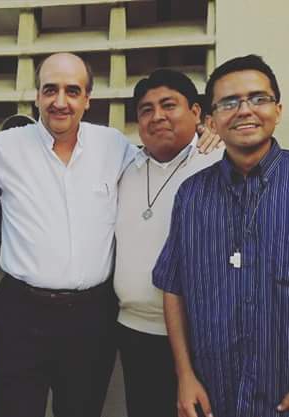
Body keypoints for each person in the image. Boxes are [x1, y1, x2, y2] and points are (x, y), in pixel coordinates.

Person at [153, 54, 289, 417]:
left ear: (277, 110)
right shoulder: (192, 195)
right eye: (229, 102)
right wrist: (184, 375)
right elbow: (173, 288)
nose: (245, 110)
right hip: (213, 396)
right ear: (211, 121)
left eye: (258, 98)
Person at [113, 69, 223, 417]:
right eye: (146, 110)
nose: (157, 116)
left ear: (196, 112)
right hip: (133, 332)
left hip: (200, 339)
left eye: (169, 105)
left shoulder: (220, 164)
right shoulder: (124, 168)